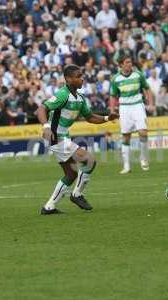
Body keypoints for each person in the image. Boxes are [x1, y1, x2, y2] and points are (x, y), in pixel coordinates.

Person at [37, 64, 118, 215]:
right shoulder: (62, 95)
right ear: (68, 79)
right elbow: (42, 108)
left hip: (62, 137)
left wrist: (107, 117)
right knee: (89, 160)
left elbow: (90, 117)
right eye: (79, 76)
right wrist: (46, 127)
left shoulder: (80, 98)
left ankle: (49, 207)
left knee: (71, 174)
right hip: (55, 138)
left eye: (82, 76)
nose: (82, 79)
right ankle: (77, 195)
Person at [109, 55, 154, 174]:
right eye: (127, 62)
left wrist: (150, 103)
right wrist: (112, 111)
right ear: (121, 65)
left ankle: (144, 158)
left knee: (143, 132)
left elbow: (147, 89)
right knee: (126, 136)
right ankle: (127, 166)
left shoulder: (138, 75)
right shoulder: (115, 79)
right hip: (124, 108)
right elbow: (113, 96)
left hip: (138, 105)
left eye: (130, 62)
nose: (130, 64)